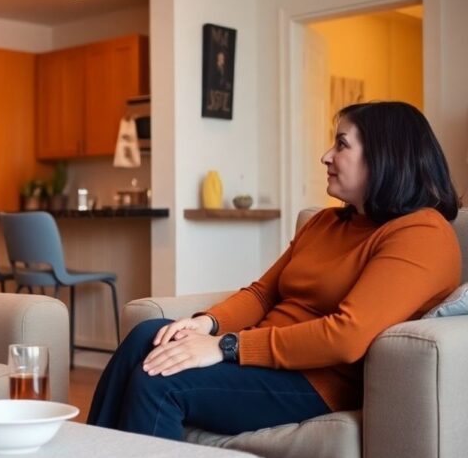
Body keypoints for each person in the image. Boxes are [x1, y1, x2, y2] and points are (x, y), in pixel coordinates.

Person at [88, 101, 461, 440]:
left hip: (316, 381)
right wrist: (207, 325)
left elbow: (347, 337)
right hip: (262, 358)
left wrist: (226, 347)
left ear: (385, 157)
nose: (326, 156)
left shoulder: (420, 233)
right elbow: (263, 293)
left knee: (159, 381)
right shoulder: (325, 222)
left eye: (341, 145)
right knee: (149, 335)